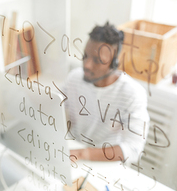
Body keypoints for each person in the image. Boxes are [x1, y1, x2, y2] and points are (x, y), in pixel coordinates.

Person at [63, 22, 150, 163]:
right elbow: (56, 109)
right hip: (74, 152)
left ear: (114, 64)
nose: (87, 65)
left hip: (105, 162)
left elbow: (134, 149)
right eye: (85, 56)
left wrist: (83, 153)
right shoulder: (74, 78)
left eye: (97, 60)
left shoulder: (132, 94)